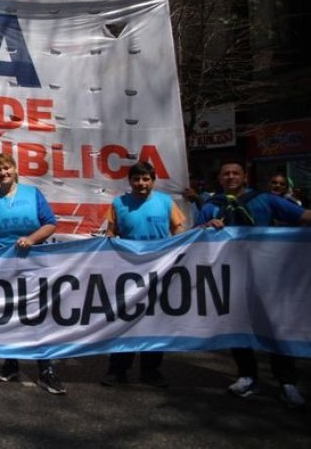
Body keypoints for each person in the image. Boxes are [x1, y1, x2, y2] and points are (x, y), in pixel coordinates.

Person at [195, 159, 311, 410]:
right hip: (231, 280)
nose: (231, 177)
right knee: (237, 326)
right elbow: (195, 237)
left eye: (235, 173)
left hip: (268, 278)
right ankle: (247, 376)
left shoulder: (266, 200)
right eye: (226, 173)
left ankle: (287, 382)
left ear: (245, 177)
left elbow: (303, 217)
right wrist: (206, 227)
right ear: (220, 179)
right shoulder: (211, 206)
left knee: (275, 328)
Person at [0, 153, 66, 395]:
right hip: (0, 267)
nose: (3, 173)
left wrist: (31, 239)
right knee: (7, 316)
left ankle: (46, 370)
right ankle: (11, 363)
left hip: (32, 265)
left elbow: (50, 223)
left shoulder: (32, 194)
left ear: (14, 169)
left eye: (6, 168)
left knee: (37, 316)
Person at [101, 162, 186, 388]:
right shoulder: (119, 204)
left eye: (146, 179)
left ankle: (151, 371)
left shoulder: (166, 202)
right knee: (125, 322)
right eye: (137, 179)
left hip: (160, 271)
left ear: (153, 180)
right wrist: (110, 240)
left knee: (155, 323)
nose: (141, 184)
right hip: (128, 273)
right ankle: (117, 370)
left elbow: (178, 230)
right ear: (130, 181)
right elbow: (110, 233)